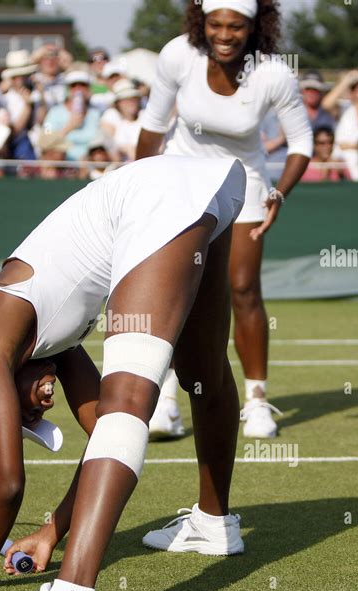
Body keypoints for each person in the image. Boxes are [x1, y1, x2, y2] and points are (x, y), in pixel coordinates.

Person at [0, 154, 246, 591]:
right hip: (210, 186)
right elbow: (102, 436)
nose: (42, 407)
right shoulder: (55, 347)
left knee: (127, 398)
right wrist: (50, 532)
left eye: (26, 410)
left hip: (159, 197)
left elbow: (7, 481)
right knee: (203, 373)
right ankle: (214, 522)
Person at [136, 0, 313, 440]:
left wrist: (279, 194)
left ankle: (256, 402)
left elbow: (302, 141)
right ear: (202, 22)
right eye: (215, 24)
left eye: (236, 26)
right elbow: (153, 127)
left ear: (254, 27)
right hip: (181, 178)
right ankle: (167, 402)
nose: (225, 34)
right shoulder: (178, 54)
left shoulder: (273, 72)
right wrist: (142, 187)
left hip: (246, 182)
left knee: (242, 289)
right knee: (178, 291)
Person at [43, 70, 101, 162]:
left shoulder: (96, 114)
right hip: (63, 163)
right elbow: (45, 139)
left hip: (89, 163)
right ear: (68, 90)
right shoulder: (53, 113)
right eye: (73, 86)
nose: (78, 90)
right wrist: (69, 127)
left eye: (83, 86)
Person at [101, 78, 144, 161]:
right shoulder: (110, 115)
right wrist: (127, 149)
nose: (131, 102)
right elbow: (108, 144)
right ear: (118, 102)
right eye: (126, 99)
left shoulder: (144, 115)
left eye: (134, 98)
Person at [335, 74, 358, 181]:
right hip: (344, 171)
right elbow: (326, 104)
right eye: (356, 88)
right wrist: (347, 79)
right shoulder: (343, 108)